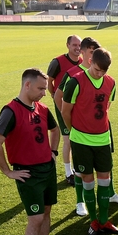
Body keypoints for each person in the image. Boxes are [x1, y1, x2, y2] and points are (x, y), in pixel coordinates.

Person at [0, 68, 64, 235]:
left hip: (47, 169)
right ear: (27, 85)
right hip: (28, 174)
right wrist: (7, 171)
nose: (44, 92)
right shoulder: (10, 111)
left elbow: (55, 130)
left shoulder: (42, 108)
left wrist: (54, 152)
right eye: (41, 88)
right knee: (36, 218)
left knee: (47, 211)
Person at [61, 47, 118, 235]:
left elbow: (106, 108)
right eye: (97, 69)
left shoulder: (111, 83)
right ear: (90, 62)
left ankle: (104, 221)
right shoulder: (75, 82)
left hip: (103, 139)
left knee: (105, 180)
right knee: (88, 181)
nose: (100, 74)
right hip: (81, 140)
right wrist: (76, 132)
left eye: (104, 71)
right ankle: (93, 221)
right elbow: (65, 111)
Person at [54, 37, 100, 216]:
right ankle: (80, 201)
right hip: (79, 130)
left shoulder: (101, 75)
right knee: (81, 168)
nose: (92, 55)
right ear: (83, 52)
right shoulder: (73, 73)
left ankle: (109, 194)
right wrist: (69, 120)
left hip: (97, 131)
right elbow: (58, 96)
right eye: (90, 51)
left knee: (103, 168)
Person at [46, 34, 81, 186]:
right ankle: (69, 172)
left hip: (77, 104)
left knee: (77, 136)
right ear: (67, 45)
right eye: (74, 45)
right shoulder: (58, 62)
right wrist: (54, 95)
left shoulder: (82, 62)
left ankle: (77, 168)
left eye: (79, 45)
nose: (77, 48)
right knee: (67, 137)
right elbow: (49, 80)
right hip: (62, 104)